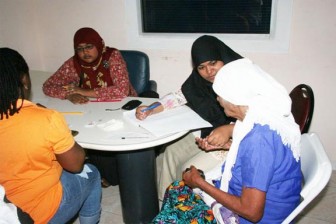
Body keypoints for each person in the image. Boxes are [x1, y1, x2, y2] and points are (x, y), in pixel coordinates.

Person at [152, 57, 302, 223]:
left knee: (180, 195)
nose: (217, 100)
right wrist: (229, 146)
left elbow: (252, 212)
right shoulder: (262, 117)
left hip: (256, 216)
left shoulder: (259, 140)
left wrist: (200, 183)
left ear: (234, 98)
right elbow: (264, 160)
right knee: (176, 188)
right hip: (258, 199)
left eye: (220, 95)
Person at [0, 48, 102, 224]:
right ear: (24, 80)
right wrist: (57, 128)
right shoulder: (46, 118)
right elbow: (76, 165)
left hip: (6, 203)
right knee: (91, 173)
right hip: (33, 214)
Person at [136, 35, 240, 199]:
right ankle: (166, 205)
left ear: (223, 58)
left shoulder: (244, 79)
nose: (208, 71)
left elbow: (263, 118)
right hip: (207, 133)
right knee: (170, 152)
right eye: (201, 67)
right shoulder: (199, 81)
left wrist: (231, 129)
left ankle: (183, 209)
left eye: (213, 63)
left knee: (186, 170)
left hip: (236, 144)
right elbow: (178, 97)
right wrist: (151, 108)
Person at [43, 27, 137, 187]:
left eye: (89, 47)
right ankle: (102, 169)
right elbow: (48, 86)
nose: (85, 52)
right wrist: (68, 94)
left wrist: (83, 91)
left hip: (122, 107)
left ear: (99, 45)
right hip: (93, 111)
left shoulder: (112, 56)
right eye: (79, 49)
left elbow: (122, 90)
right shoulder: (74, 63)